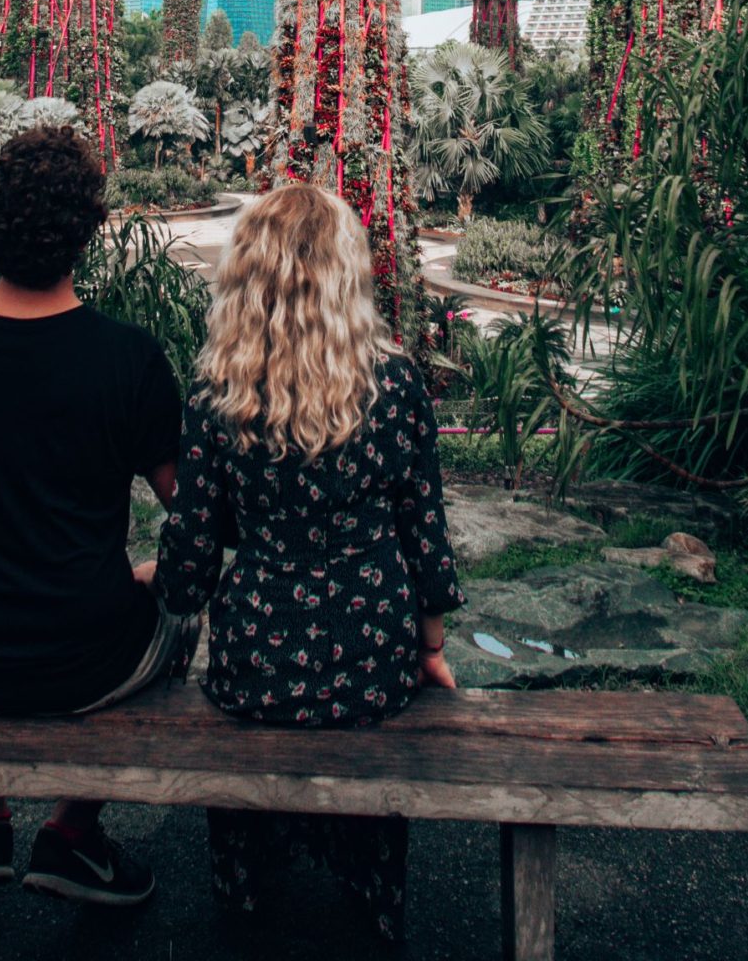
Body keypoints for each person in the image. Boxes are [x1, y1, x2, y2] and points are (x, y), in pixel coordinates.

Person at [0, 123, 192, 905]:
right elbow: (192, 514)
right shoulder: (129, 358)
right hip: (93, 659)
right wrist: (144, 575)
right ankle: (72, 834)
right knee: (182, 612)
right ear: (86, 231)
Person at [154, 181, 463, 942]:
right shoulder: (395, 388)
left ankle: (245, 888)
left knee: (242, 704)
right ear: (344, 274)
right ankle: (374, 889)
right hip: (373, 663)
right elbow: (425, 536)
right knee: (375, 718)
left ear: (245, 275)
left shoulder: (217, 395)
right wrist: (429, 651)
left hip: (255, 662)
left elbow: (190, 565)